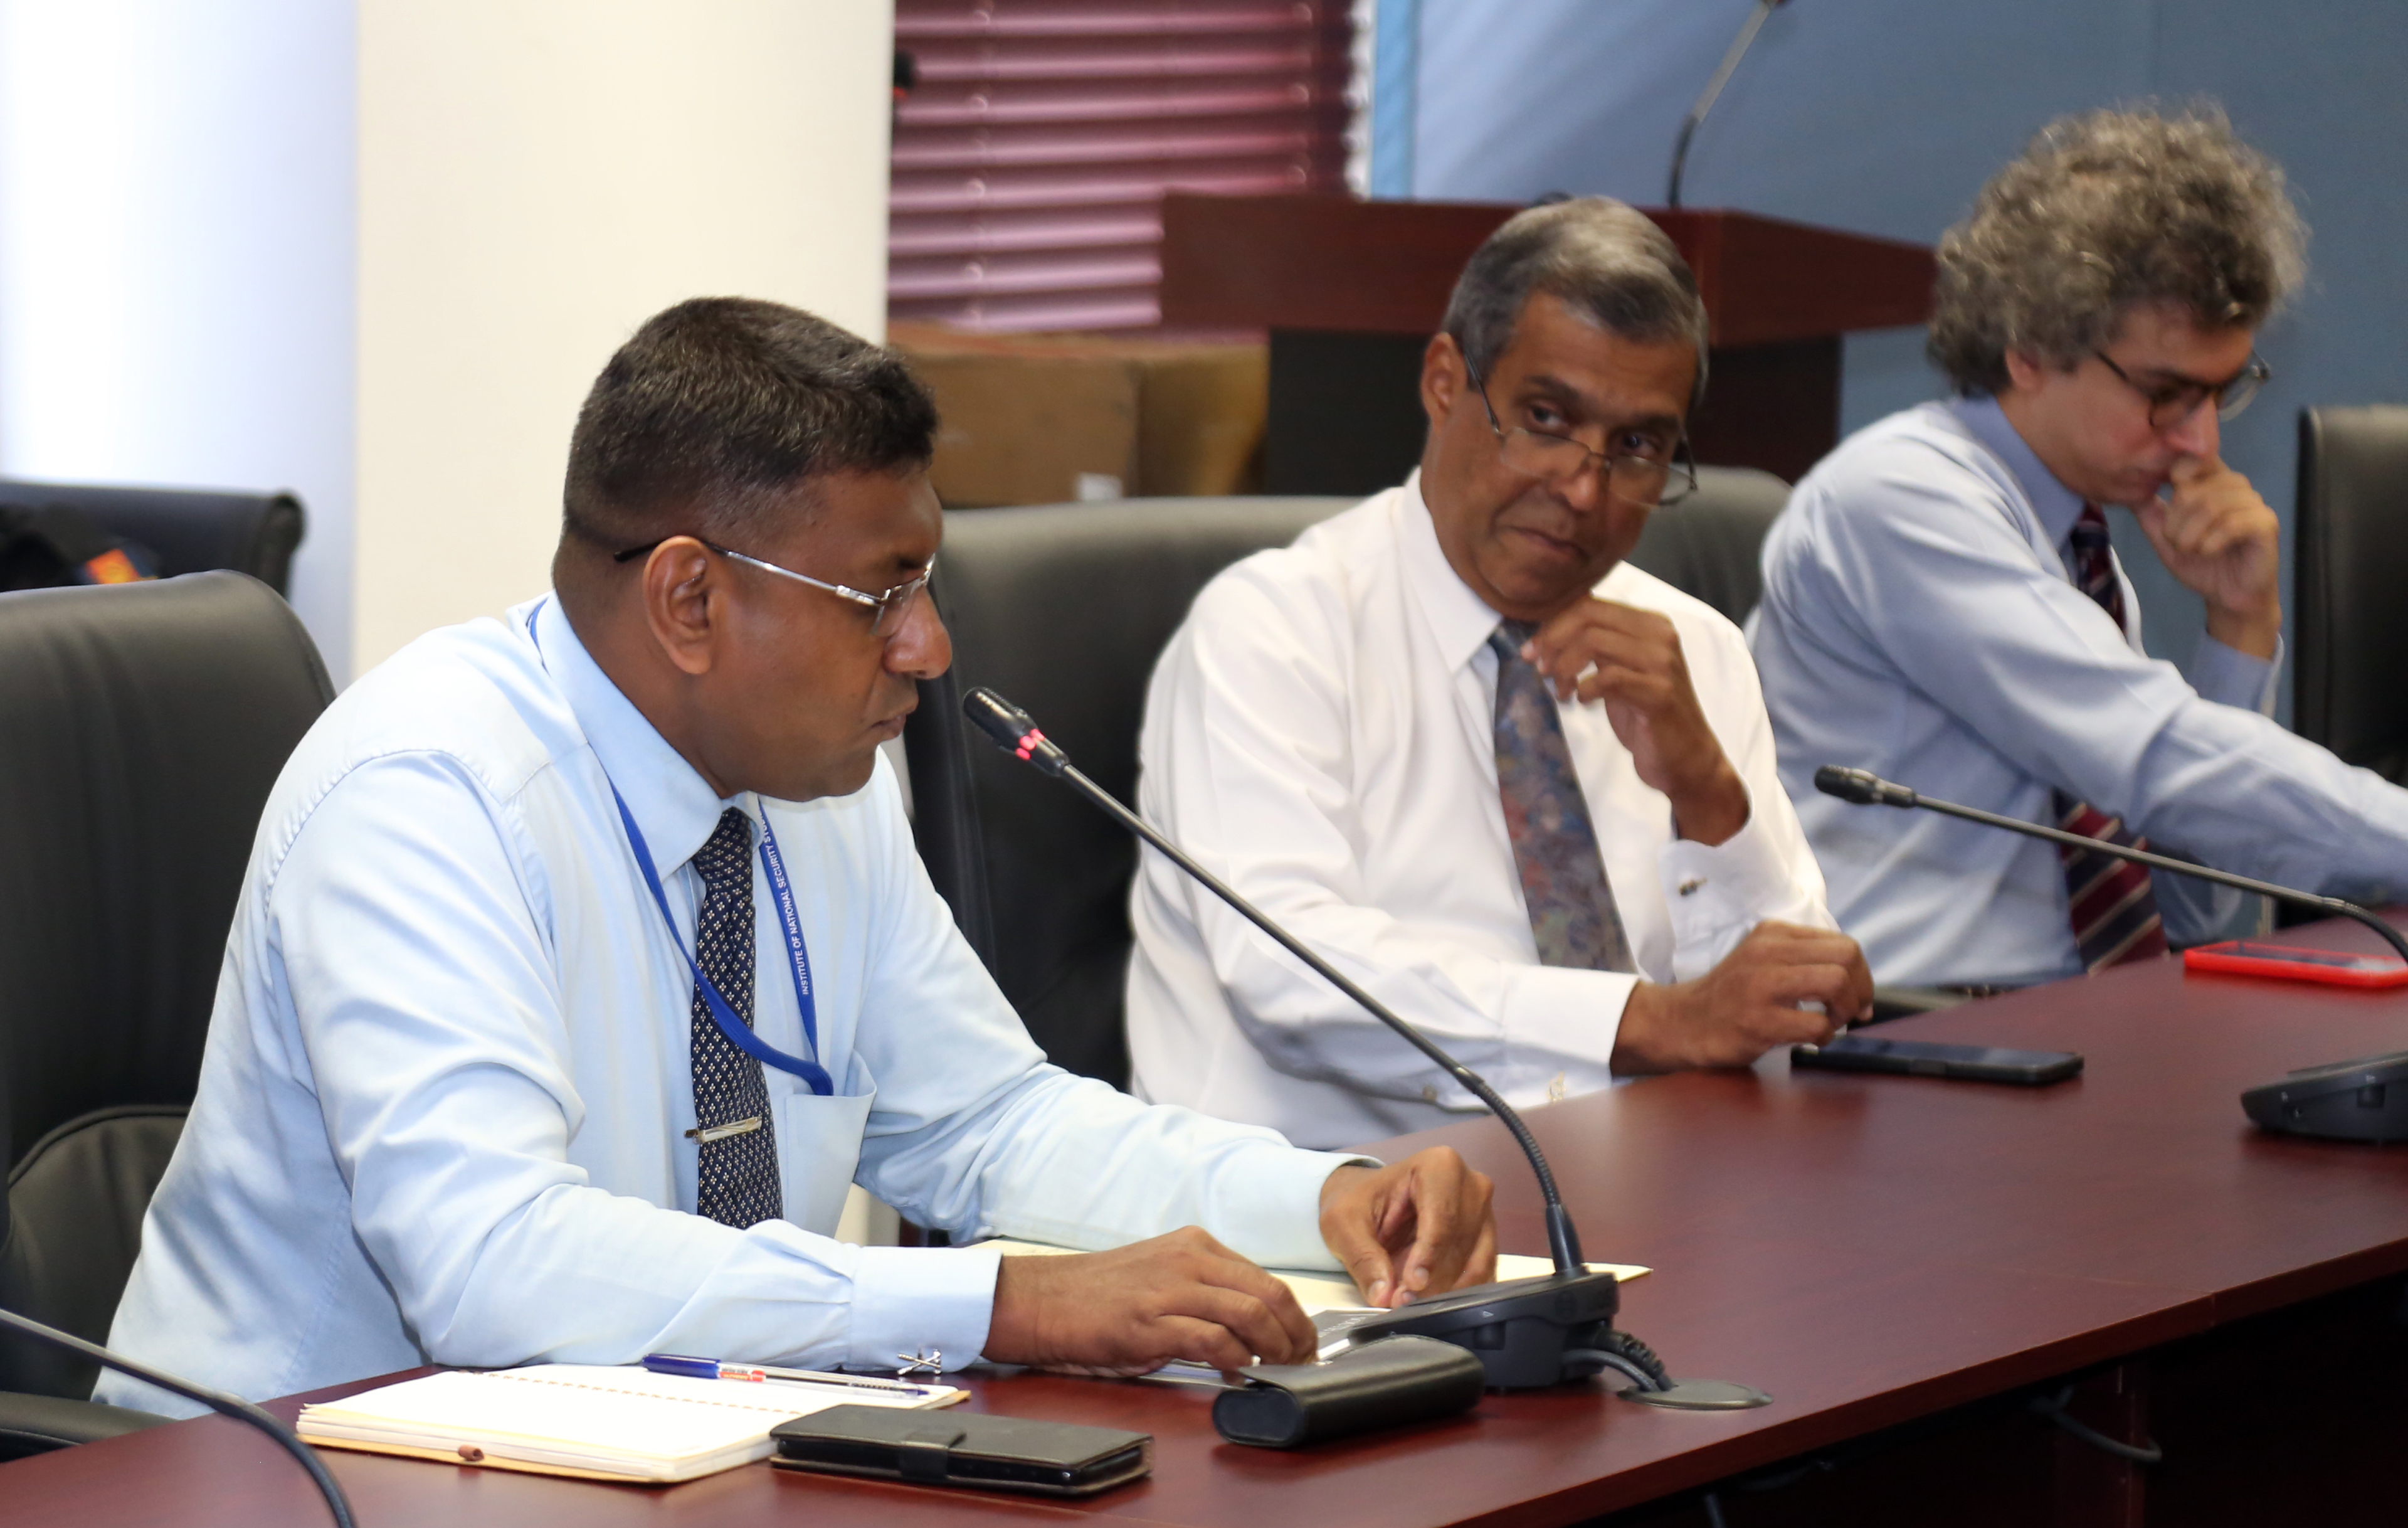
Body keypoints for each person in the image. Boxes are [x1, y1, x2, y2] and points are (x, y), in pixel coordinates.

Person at [100, 299, 1496, 1417]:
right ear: (690, 599)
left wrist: (1319, 1196)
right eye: (882, 594)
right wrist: (1000, 1303)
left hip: (655, 1464)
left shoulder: (818, 785)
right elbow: (492, 1267)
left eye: (927, 584)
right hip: (285, 1500)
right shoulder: (428, 793)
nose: (929, 648)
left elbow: (987, 1123)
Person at [1127, 199, 1872, 1152]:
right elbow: (1293, 976)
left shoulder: (1692, 649)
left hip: (1642, 1189)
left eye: (1637, 447)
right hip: (1321, 1206)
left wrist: (1710, 802)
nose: (1584, 489)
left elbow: (1783, 1013)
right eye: (1546, 419)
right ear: (1445, 382)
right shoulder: (1275, 629)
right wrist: (1645, 1022)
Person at [1750, 107, 2408, 989]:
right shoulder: (1901, 498)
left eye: (2220, 393)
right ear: (2030, 348)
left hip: (2062, 1022)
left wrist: (2240, 625)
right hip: (1902, 1031)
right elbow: (2157, 757)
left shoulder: (2075, 545)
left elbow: (2190, 908)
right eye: (2166, 392)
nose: (2201, 442)